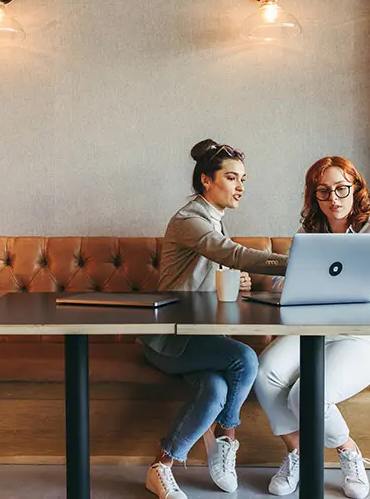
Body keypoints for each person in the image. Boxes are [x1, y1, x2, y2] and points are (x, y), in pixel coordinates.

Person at [253, 156, 370, 499]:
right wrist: (285, 284)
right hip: (310, 332)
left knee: (304, 394)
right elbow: (288, 284)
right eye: (324, 192)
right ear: (314, 196)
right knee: (264, 373)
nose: (333, 199)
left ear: (356, 189)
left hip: (362, 337)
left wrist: (336, 287)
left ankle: (348, 450)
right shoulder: (309, 234)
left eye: (341, 189)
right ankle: (297, 452)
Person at [142, 139, 288, 499]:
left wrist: (232, 276)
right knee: (244, 358)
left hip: (199, 336)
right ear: (206, 180)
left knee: (216, 390)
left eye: (243, 179)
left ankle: (160, 466)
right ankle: (226, 438)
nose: (240, 186)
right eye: (232, 177)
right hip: (169, 339)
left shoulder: (212, 222)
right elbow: (229, 253)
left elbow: (215, 265)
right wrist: (291, 260)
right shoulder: (190, 220)